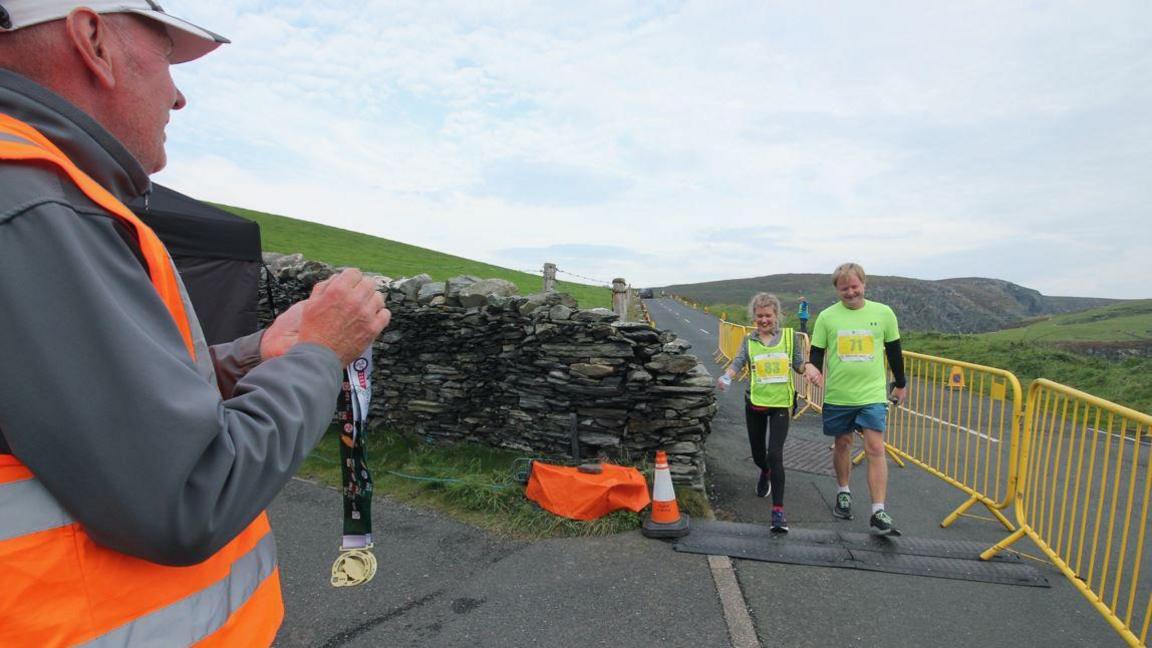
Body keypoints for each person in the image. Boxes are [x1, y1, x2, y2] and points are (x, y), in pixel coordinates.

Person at [0, 3, 391, 645]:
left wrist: (258, 353)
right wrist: (319, 355)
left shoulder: (54, 198)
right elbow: (189, 493)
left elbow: (99, 407)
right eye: (167, 56)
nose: (179, 97)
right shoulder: (35, 205)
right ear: (91, 37)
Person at [802, 263, 907, 535]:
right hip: (838, 394)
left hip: (872, 394)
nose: (850, 292)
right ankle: (843, 491)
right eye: (844, 288)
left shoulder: (883, 314)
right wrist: (811, 367)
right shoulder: (827, 317)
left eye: (854, 286)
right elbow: (816, 353)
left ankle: (878, 511)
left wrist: (901, 384)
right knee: (843, 443)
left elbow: (895, 351)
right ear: (837, 290)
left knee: (875, 447)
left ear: (864, 284)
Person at [717, 293, 804, 533]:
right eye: (759, 316)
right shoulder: (749, 340)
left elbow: (798, 362)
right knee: (758, 455)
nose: (764, 320)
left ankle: (778, 512)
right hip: (755, 403)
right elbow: (738, 362)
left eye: (768, 315)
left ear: (777, 315)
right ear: (754, 317)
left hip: (781, 404)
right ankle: (763, 471)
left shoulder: (789, 337)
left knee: (775, 454)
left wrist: (809, 370)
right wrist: (727, 376)